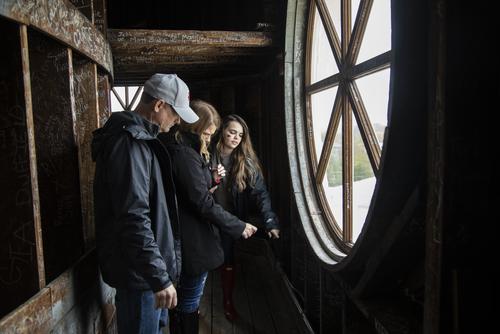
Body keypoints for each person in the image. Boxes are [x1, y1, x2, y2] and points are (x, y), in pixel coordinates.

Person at [91, 73, 199, 334]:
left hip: (144, 272)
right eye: (176, 113)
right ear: (159, 105)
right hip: (140, 276)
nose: (177, 121)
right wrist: (159, 277)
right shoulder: (130, 143)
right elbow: (133, 216)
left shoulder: (141, 140)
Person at [158, 100, 258, 334]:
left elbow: (189, 190)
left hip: (187, 236)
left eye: (211, 135)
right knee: (189, 302)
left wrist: (210, 179)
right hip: (191, 238)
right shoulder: (185, 154)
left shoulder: (184, 150)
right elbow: (200, 202)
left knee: (184, 302)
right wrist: (238, 225)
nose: (208, 139)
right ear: (193, 127)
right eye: (205, 133)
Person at [211, 114, 280, 321]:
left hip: (230, 219)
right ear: (222, 131)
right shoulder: (206, 154)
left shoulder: (245, 162)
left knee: (229, 259)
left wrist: (269, 221)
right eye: (232, 132)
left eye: (240, 135)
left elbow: (261, 193)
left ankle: (228, 302)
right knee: (202, 260)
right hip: (205, 215)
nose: (235, 137)